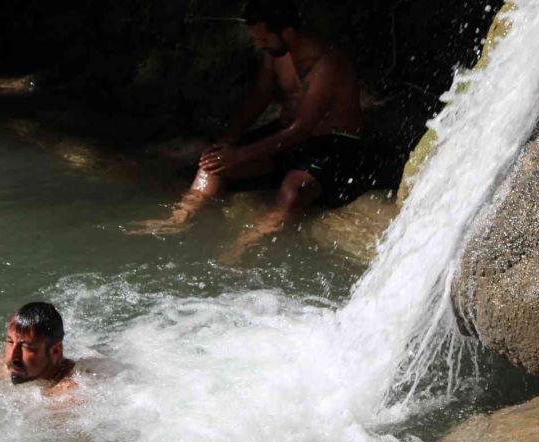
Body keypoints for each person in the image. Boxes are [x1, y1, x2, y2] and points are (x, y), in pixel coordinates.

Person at [131, 0, 374, 261]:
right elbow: (259, 96)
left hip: (332, 142)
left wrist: (240, 155)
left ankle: (245, 245)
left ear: (287, 33)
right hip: (287, 137)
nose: (259, 45)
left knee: (293, 192)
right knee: (212, 162)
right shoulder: (275, 55)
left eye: (263, 38)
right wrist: (228, 141)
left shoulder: (327, 65)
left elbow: (302, 129)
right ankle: (179, 219)